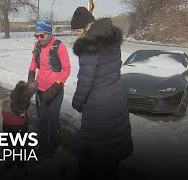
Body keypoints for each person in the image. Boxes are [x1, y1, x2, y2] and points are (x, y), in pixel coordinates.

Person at [71, 7, 133, 179]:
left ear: (87, 26)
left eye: (77, 30)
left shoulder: (89, 46)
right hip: (117, 98)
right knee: (113, 148)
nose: (76, 34)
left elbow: (85, 82)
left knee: (95, 155)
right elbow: (116, 67)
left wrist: (77, 102)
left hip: (99, 106)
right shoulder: (111, 40)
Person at [28, 18, 71, 158]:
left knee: (52, 119)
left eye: (42, 35)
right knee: (42, 118)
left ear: (49, 33)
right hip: (40, 89)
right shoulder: (37, 46)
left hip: (55, 90)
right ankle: (42, 143)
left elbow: (66, 69)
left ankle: (52, 144)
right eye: (37, 35)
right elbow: (33, 63)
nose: (39, 38)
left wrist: (56, 86)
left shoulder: (59, 46)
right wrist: (31, 76)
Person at [0, 80, 37, 169]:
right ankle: (20, 161)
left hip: (7, 124)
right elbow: (22, 108)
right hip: (18, 125)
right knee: (21, 143)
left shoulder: (11, 99)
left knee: (8, 142)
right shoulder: (24, 99)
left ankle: (9, 160)